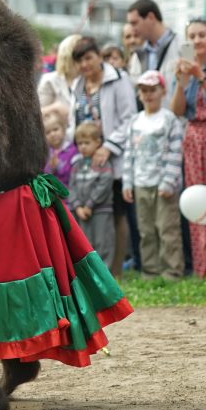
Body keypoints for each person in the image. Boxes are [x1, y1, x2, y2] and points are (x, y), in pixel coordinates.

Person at [69, 37, 137, 276]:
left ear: (98, 56)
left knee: (114, 212)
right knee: (89, 215)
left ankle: (115, 270)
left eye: (89, 58)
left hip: (113, 156)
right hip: (86, 160)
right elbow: (73, 121)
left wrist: (107, 146)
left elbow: (129, 118)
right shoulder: (78, 86)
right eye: (80, 61)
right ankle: (93, 271)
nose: (85, 64)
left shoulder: (118, 79)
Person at [170, 18, 206, 278]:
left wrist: (199, 75)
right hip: (193, 137)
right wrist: (181, 82)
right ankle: (202, 267)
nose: (196, 41)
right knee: (197, 198)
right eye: (191, 36)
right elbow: (177, 111)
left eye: (201, 35)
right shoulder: (184, 68)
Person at [121, 71, 184, 280]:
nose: (148, 95)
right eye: (144, 91)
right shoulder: (135, 121)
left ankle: (172, 271)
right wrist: (127, 181)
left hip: (162, 183)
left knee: (167, 229)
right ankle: (150, 271)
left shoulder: (169, 119)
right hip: (141, 182)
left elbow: (176, 152)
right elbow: (129, 153)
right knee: (146, 230)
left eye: (153, 90)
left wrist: (169, 181)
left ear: (162, 92)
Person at [67, 121, 115, 268]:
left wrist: (89, 205)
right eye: (80, 143)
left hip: (100, 210)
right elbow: (71, 187)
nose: (83, 147)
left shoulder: (103, 163)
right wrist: (77, 206)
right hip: (81, 212)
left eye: (87, 143)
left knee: (103, 242)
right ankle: (90, 275)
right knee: (86, 243)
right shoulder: (76, 165)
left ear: (97, 142)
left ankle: (105, 274)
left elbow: (104, 185)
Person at [126, 0, 182, 96]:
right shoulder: (136, 57)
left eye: (135, 23)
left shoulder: (183, 45)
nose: (132, 29)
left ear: (151, 17)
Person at [37, 33, 81, 122]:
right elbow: (37, 114)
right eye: (79, 55)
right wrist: (54, 108)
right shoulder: (50, 80)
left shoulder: (89, 79)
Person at [42, 111, 77, 187]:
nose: (52, 134)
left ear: (63, 129)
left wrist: (58, 166)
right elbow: (43, 176)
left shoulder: (73, 150)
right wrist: (51, 168)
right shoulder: (45, 153)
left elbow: (73, 176)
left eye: (55, 129)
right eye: (48, 132)